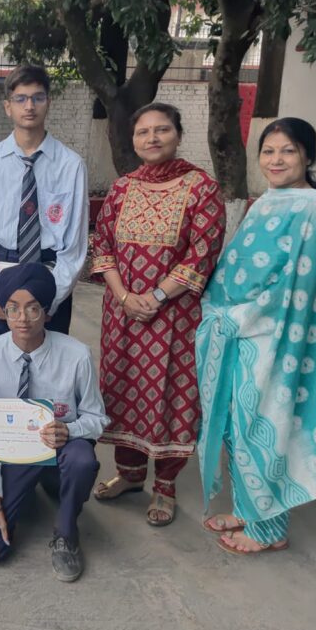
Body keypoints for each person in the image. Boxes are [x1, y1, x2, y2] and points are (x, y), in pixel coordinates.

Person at [196, 117, 316, 555]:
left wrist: (238, 317)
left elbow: (296, 287)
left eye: (288, 151)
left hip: (275, 338)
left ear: (308, 156)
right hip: (235, 332)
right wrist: (214, 309)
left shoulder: (314, 210)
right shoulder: (267, 201)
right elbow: (235, 264)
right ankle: (248, 509)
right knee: (233, 424)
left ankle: (269, 530)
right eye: (268, 151)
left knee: (263, 427)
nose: (276, 160)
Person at [89, 103, 225, 526]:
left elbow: (203, 251)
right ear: (133, 140)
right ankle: (130, 475)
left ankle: (165, 486)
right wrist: (124, 296)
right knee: (124, 386)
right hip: (123, 314)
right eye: (143, 131)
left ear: (178, 134)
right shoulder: (122, 188)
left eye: (162, 129)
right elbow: (102, 244)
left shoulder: (201, 188)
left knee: (170, 393)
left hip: (175, 317)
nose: (152, 138)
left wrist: (157, 296)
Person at [0, 264, 108, 582]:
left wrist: (69, 430)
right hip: (15, 453)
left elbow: (97, 418)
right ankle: (21, 488)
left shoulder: (76, 355)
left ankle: (67, 532)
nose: (23, 319)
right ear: (2, 312)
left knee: (82, 460)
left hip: (60, 449)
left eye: (33, 308)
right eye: (13, 309)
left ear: (47, 312)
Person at [0, 64, 89, 342]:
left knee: (52, 363)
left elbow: (75, 244)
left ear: (49, 102)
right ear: (8, 107)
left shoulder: (71, 165)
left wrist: (50, 299)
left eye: (37, 98)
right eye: (20, 99)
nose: (29, 106)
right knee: (0, 361)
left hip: (51, 277)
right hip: (1, 278)